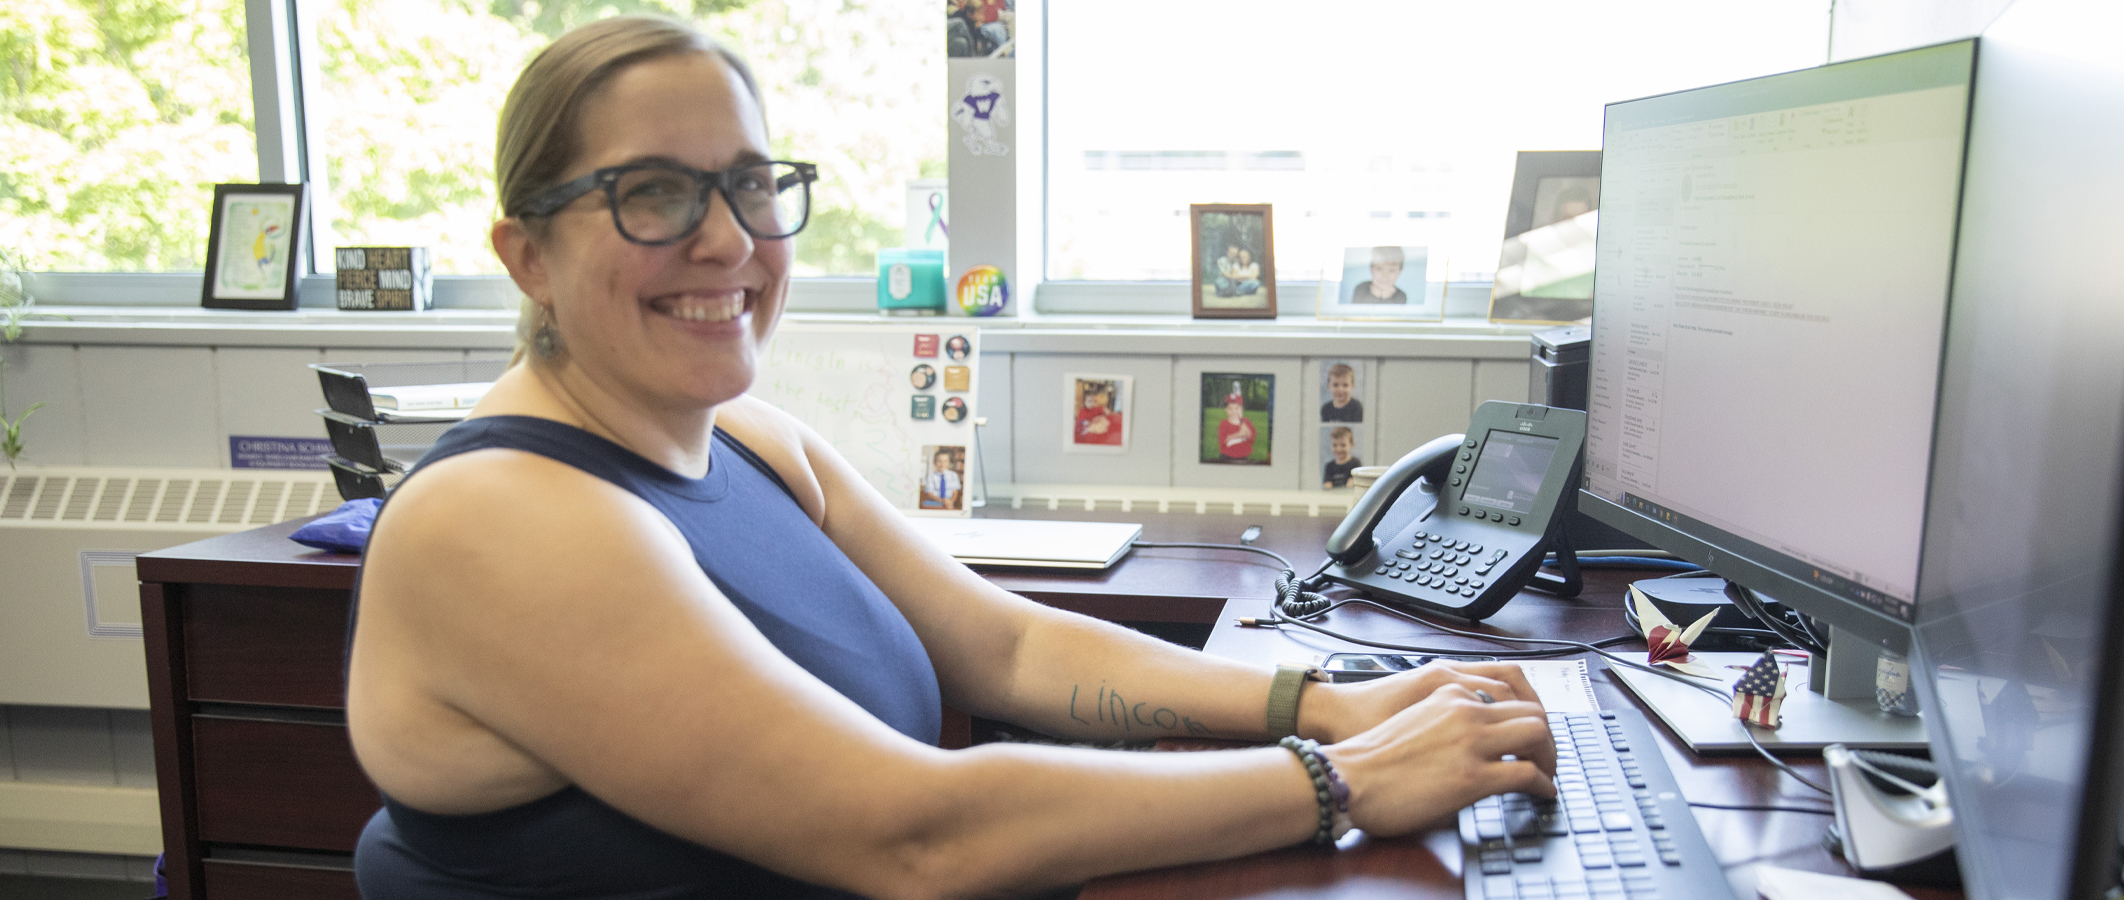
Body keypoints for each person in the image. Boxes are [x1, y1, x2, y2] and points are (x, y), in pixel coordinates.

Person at [346, 16, 1556, 900]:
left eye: (749, 185)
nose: (727, 241)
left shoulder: (759, 445)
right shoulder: (499, 519)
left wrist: (1330, 706)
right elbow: (907, 835)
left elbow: (1009, 645)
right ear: (527, 257)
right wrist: (1339, 781)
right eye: (651, 195)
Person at [1073, 380, 1122, 446]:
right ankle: (1090, 429)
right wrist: (1085, 422)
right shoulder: (1083, 410)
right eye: (1090, 401)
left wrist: (1106, 411)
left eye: (1095, 401)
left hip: (1097, 421)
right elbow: (1081, 419)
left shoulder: (1098, 408)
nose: (1092, 403)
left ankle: (1094, 428)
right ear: (1085, 402)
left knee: (1104, 421)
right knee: (1088, 425)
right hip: (1089, 423)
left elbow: (1104, 412)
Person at [1216, 384, 1256, 461]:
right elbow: (1223, 442)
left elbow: (1251, 438)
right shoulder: (1224, 423)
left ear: (1241, 409)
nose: (1233, 411)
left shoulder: (1246, 422)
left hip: (1243, 456)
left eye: (1236, 408)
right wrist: (1239, 434)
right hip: (1226, 456)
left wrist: (1245, 428)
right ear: (1226, 410)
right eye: (1230, 408)